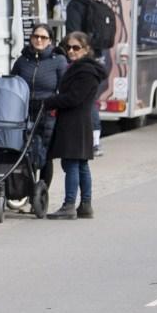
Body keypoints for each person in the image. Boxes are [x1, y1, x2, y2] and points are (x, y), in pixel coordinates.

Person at [44, 32, 107, 220]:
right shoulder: (81, 68)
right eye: (68, 47)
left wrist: (51, 101)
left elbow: (74, 97)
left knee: (72, 163)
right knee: (80, 164)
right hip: (79, 121)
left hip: (75, 122)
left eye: (76, 48)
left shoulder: (85, 71)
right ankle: (85, 205)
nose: (71, 51)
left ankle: (69, 204)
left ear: (86, 50)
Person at [10, 24, 67, 188]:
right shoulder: (22, 60)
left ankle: (41, 193)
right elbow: (13, 82)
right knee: (25, 151)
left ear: (50, 40)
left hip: (47, 111)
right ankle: (25, 190)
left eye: (43, 37)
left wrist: (57, 105)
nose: (39, 40)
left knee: (45, 153)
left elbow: (64, 88)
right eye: (36, 36)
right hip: (24, 111)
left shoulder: (58, 61)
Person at [64, 0, 107, 155]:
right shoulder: (97, 6)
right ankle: (95, 141)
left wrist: (68, 51)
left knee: (82, 101)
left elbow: (72, 35)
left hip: (81, 62)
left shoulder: (75, 6)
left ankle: (86, 143)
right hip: (96, 59)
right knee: (91, 100)